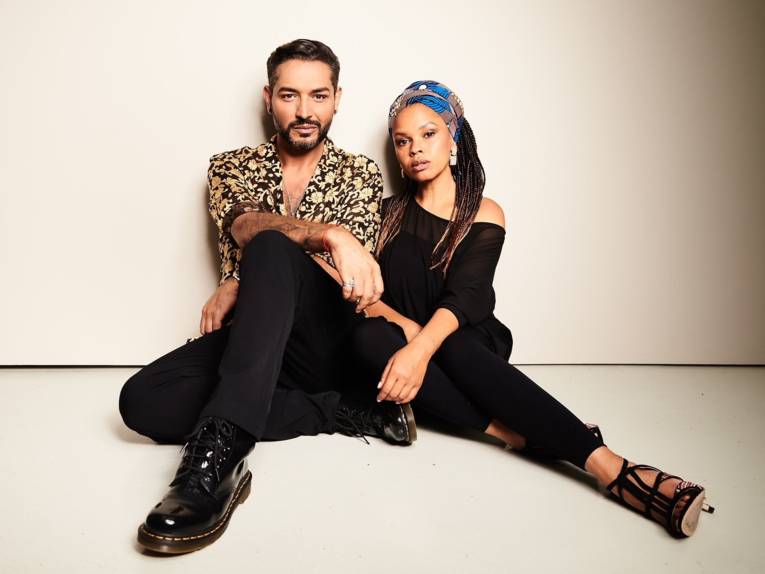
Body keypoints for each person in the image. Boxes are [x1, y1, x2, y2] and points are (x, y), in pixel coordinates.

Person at [349, 80, 715, 538]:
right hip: (406, 348)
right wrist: (410, 337)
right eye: (403, 141)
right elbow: (365, 295)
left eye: (428, 134)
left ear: (453, 137)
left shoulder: (483, 212)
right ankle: (515, 433)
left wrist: (421, 347)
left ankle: (614, 469)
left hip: (466, 348)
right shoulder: (382, 215)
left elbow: (467, 297)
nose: (415, 149)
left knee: (455, 344)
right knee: (365, 338)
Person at [118, 39, 416, 555]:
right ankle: (338, 411)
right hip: (255, 343)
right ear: (268, 97)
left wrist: (247, 274)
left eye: (318, 95)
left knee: (274, 247)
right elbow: (244, 224)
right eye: (289, 95)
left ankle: (222, 456)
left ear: (337, 98)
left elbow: (347, 281)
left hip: (321, 341)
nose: (304, 111)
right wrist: (328, 234)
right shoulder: (230, 166)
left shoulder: (360, 172)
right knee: (141, 401)